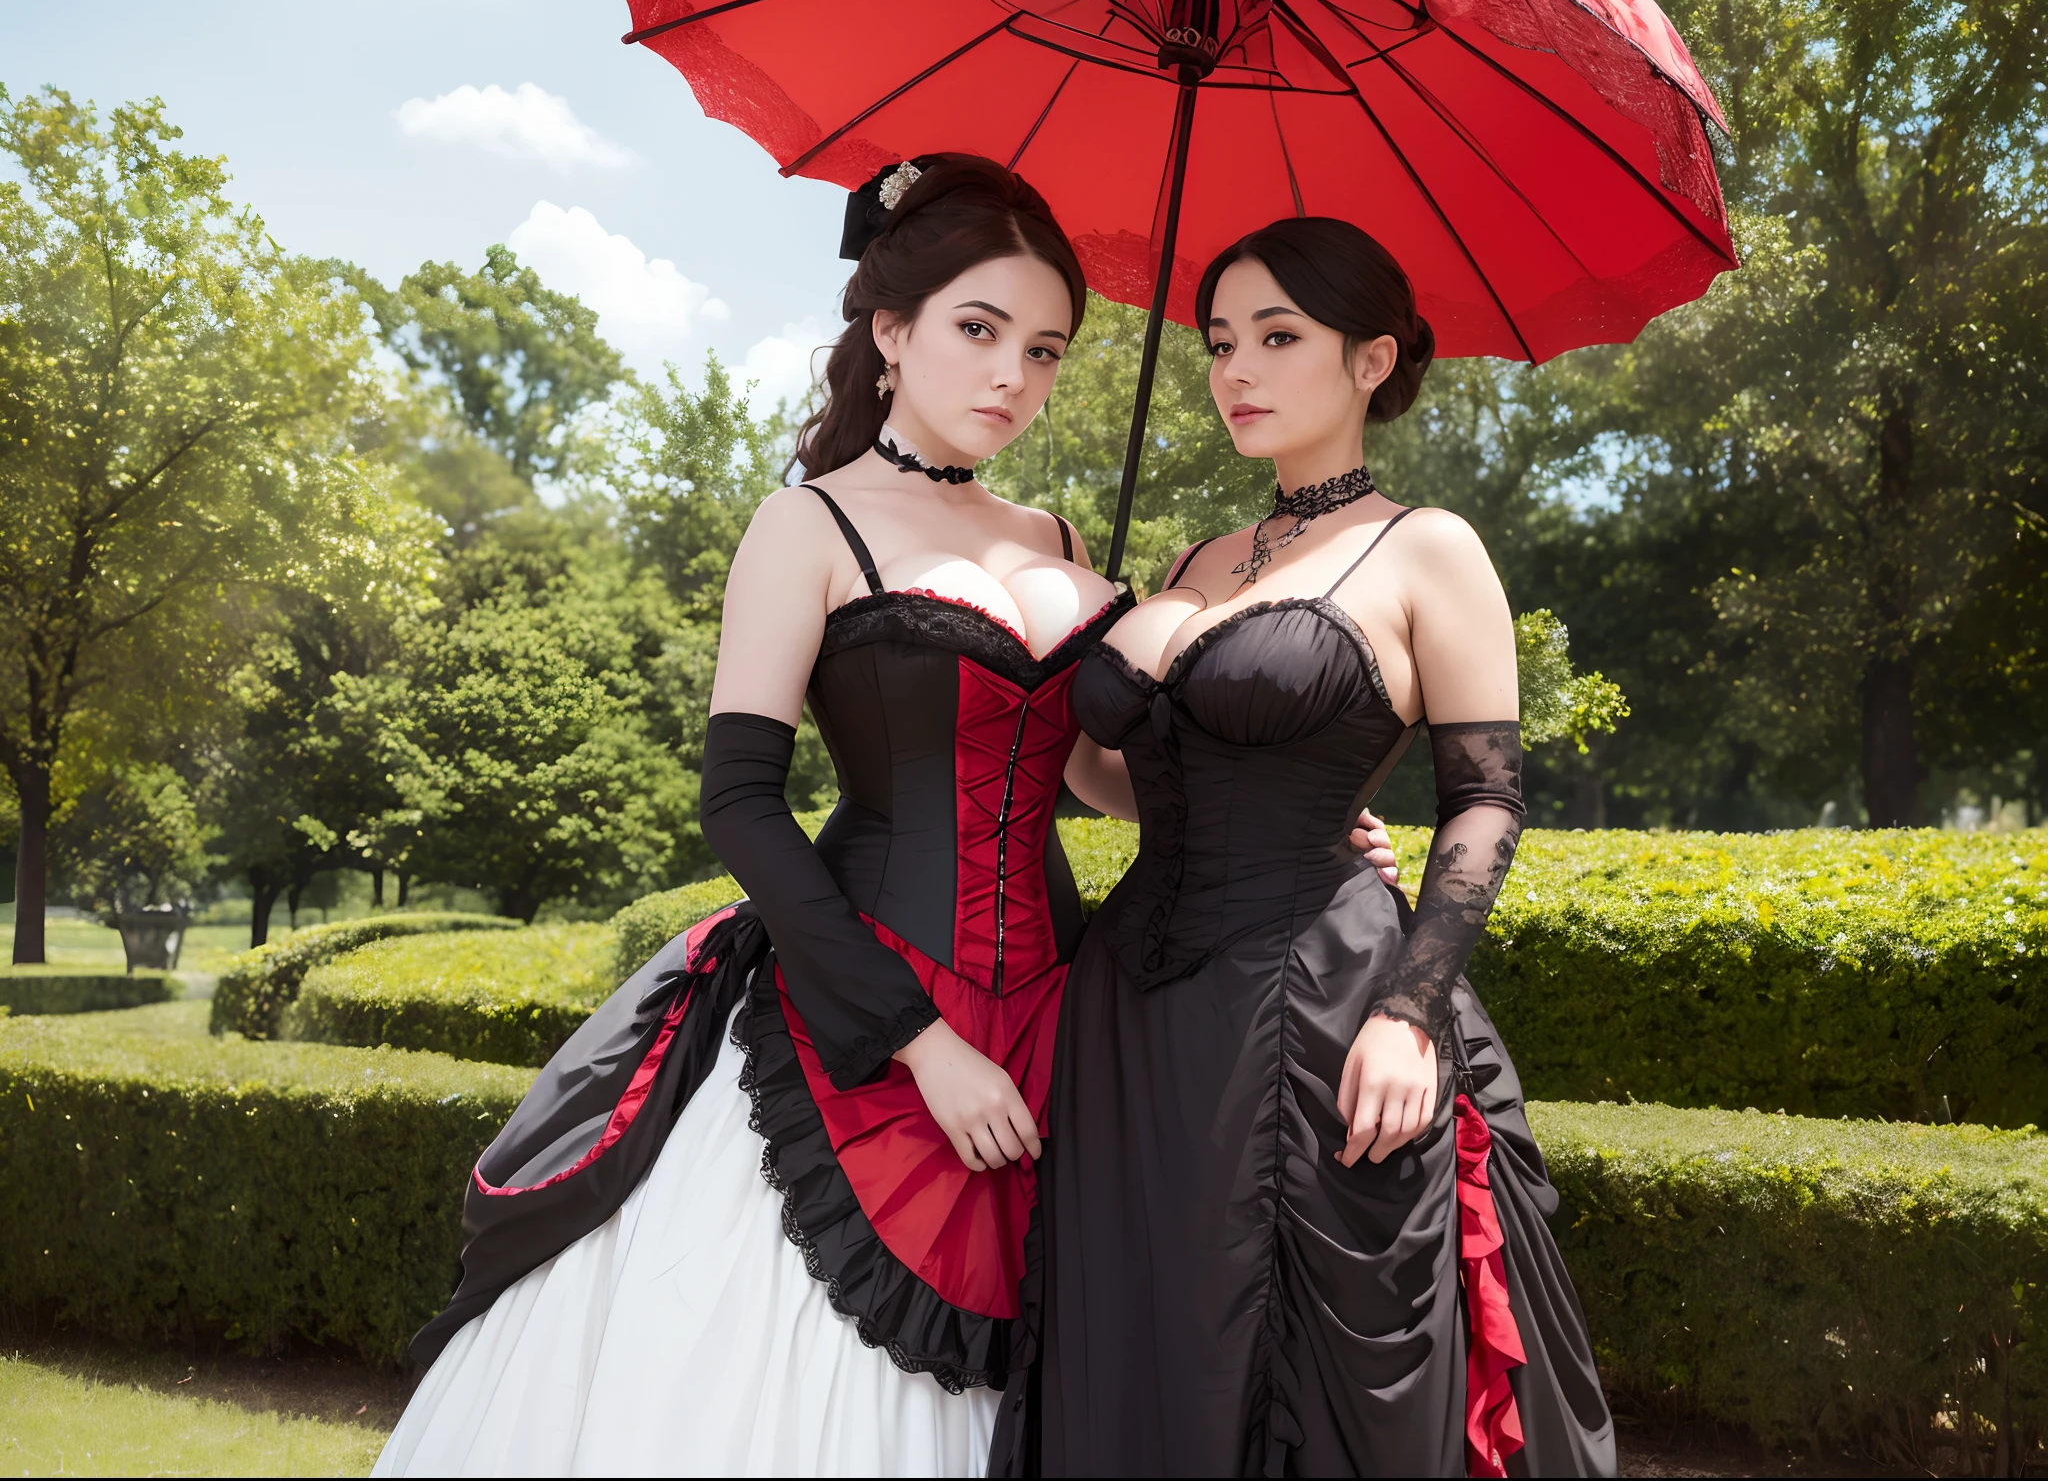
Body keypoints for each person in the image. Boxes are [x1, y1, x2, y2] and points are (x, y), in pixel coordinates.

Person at [375, 158, 1404, 1478]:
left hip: (1061, 1019)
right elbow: (741, 806)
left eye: (1043, 350)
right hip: (860, 1007)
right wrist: (921, 1045)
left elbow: (1096, 778)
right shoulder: (804, 527)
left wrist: (1286, 830)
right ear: (892, 330)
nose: (1011, 379)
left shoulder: (1059, 532)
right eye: (978, 331)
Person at [1016, 217, 1616, 1478]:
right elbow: (1119, 783)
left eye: (1277, 337)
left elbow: (1485, 802)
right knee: (1135, 1336)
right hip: (1127, 1011)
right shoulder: (1194, 557)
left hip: (1314, 1004)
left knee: (1304, 1357)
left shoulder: (1427, 547)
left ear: (1368, 358)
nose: (1236, 369)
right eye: (1220, 340)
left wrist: (1408, 1009)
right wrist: (1071, 623)